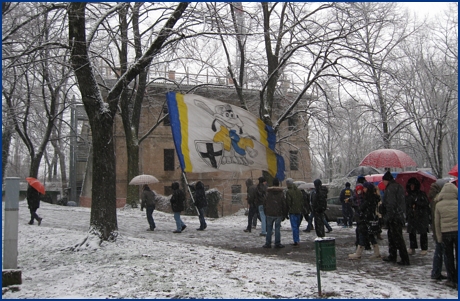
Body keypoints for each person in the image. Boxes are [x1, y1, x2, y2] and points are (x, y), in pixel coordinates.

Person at [381, 171, 410, 266]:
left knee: (396, 238)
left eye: (384, 180)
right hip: (399, 216)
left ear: (387, 180)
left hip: (394, 217)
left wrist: (387, 217)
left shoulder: (390, 189)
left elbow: (390, 204)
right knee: (394, 237)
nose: (383, 183)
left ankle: (403, 258)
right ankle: (394, 255)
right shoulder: (399, 187)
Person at [434, 182, 458, 289]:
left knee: (448, 257)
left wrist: (439, 237)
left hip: (446, 233)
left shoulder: (439, 205)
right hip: (457, 232)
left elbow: (437, 223)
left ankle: (451, 278)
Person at [348, 182, 381, 259]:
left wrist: (356, 207)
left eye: (365, 188)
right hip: (370, 219)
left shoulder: (369, 198)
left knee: (362, 234)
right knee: (371, 235)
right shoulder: (373, 197)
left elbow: (363, 207)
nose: (364, 189)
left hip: (367, 219)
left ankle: (358, 253)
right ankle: (376, 252)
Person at [428, 179, 449, 281]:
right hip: (442, 228)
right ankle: (438, 272)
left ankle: (436, 272)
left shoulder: (434, 199)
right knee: (443, 251)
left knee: (439, 250)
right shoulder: (438, 200)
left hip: (437, 228)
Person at [405, 177, 430, 256]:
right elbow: (406, 205)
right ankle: (412, 247)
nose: (412, 187)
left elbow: (425, 204)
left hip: (421, 216)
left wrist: (417, 204)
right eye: (410, 185)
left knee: (423, 232)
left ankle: (424, 248)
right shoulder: (408, 195)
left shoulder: (421, 194)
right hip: (412, 216)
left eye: (413, 185)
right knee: (412, 232)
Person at [262, 178, 287, 248]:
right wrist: (284, 213)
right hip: (278, 213)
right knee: (277, 229)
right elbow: (284, 204)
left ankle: (268, 243)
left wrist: (266, 211)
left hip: (269, 213)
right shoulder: (281, 193)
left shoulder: (268, 193)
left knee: (269, 229)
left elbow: (264, 203)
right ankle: (277, 243)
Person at [285, 178, 304, 246]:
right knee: (297, 226)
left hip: (292, 211)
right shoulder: (299, 191)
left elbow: (288, 202)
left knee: (294, 226)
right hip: (298, 210)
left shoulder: (289, 192)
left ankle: (296, 240)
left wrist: (287, 210)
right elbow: (302, 200)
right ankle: (297, 239)